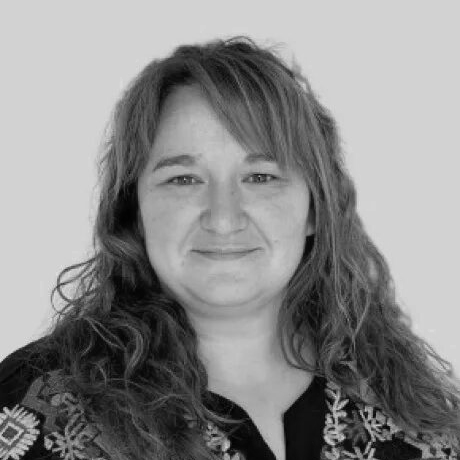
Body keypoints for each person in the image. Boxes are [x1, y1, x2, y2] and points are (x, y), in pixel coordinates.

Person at [0, 35, 459, 460]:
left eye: (260, 177)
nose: (223, 218)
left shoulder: (418, 420)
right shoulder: (37, 406)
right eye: (184, 179)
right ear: (134, 211)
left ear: (316, 209)